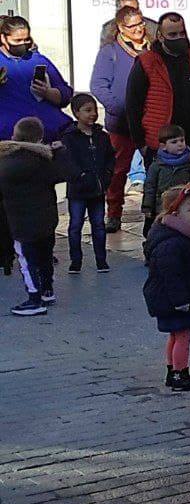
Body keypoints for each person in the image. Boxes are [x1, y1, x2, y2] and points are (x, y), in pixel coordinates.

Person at [0, 16, 73, 276]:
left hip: (41, 142)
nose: (23, 44)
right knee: (8, 200)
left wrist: (49, 93)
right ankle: (9, 251)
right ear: (3, 39)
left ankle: (42, 246)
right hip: (7, 142)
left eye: (26, 39)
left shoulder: (38, 60)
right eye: (16, 41)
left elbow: (65, 93)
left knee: (43, 198)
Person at [125, 12, 190, 173]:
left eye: (182, 33)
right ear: (160, 36)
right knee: (167, 195)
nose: (179, 38)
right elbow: (133, 106)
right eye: (172, 34)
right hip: (163, 146)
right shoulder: (147, 63)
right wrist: (141, 144)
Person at [142, 184, 190, 391]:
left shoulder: (174, 234)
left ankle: (173, 370)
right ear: (175, 213)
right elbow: (171, 275)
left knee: (176, 334)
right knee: (183, 335)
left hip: (171, 298)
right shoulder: (172, 242)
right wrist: (180, 300)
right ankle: (179, 374)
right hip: (176, 300)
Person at [91, 5, 151, 233]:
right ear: (120, 28)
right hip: (122, 123)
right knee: (117, 172)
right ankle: (114, 213)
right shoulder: (110, 52)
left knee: (155, 169)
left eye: (140, 23)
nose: (138, 29)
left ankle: (153, 214)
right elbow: (98, 85)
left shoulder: (153, 49)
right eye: (132, 26)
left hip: (149, 122)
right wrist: (119, 107)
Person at [1, 117, 65, 316]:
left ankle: (34, 298)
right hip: (46, 219)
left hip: (20, 221)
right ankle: (47, 290)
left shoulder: (5, 164)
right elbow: (63, 174)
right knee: (45, 257)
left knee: (27, 261)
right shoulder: (45, 161)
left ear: (15, 136)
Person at [59, 94, 116, 274]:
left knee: (98, 224)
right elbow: (68, 161)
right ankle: (76, 261)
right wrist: (81, 176)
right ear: (76, 113)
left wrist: (107, 175)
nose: (92, 114)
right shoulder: (69, 137)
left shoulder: (102, 136)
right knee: (75, 225)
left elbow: (110, 158)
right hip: (78, 190)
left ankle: (101, 260)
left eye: (94, 110)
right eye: (87, 110)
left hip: (97, 190)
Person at [142, 124, 190, 237]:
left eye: (182, 140)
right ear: (163, 146)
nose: (180, 144)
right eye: (174, 142)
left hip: (184, 206)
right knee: (162, 231)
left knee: (182, 231)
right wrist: (147, 206)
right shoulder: (157, 165)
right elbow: (150, 186)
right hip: (162, 207)